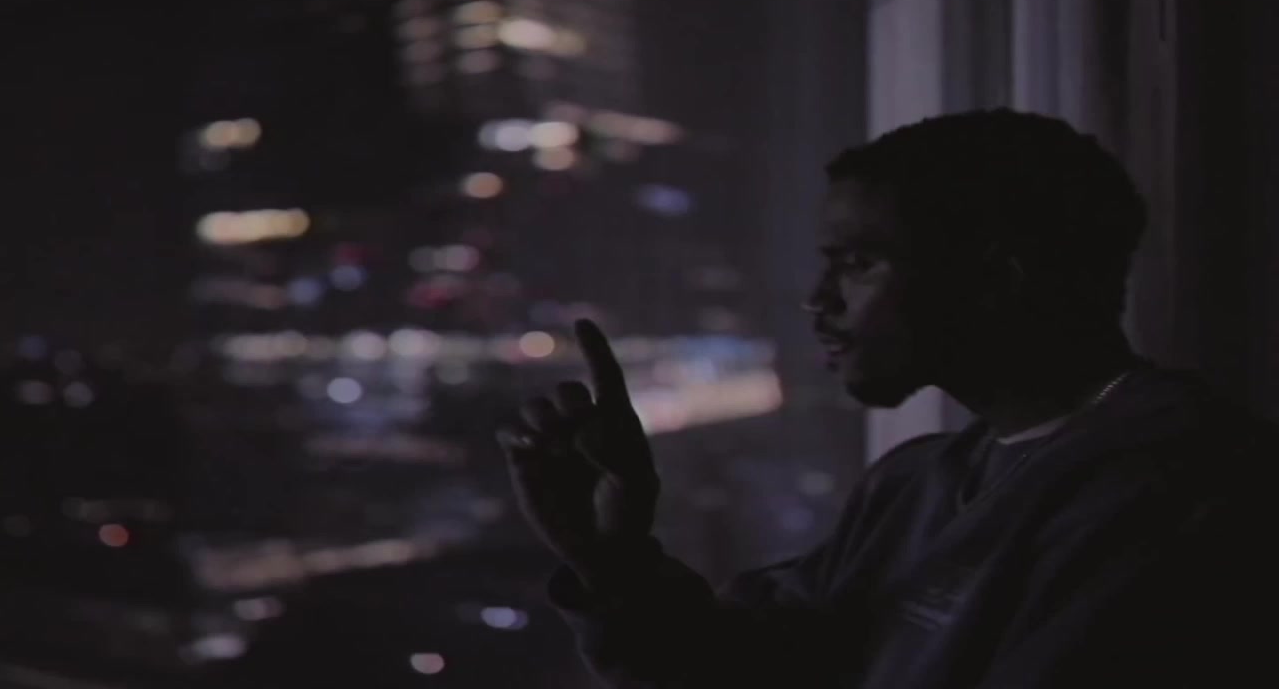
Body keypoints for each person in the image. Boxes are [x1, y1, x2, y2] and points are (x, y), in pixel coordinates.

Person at [498, 109, 1278, 688]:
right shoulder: (916, 484)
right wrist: (611, 555)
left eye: (860, 263)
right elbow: (757, 667)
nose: (818, 300)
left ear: (997, 277)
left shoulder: (1181, 494)